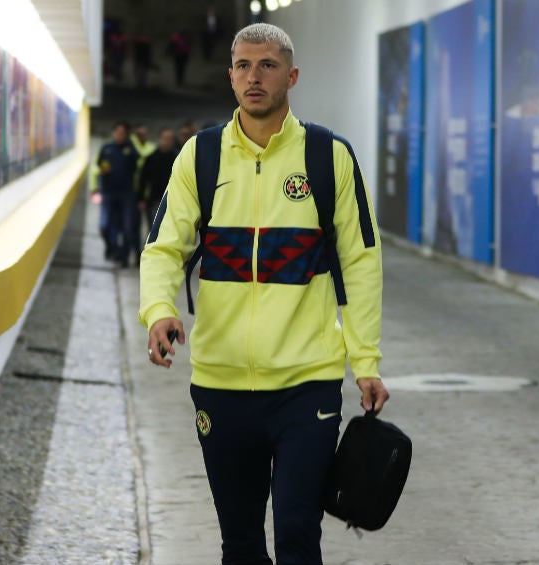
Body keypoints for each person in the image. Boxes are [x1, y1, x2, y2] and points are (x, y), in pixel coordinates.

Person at [139, 23, 388, 565]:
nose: (255, 76)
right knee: (241, 542)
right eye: (244, 66)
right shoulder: (199, 157)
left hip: (307, 384)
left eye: (268, 65)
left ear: (291, 76)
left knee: (298, 530)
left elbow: (361, 263)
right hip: (220, 385)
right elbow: (162, 249)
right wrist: (159, 311)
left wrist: (364, 360)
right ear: (230, 76)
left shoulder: (329, 158)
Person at [95, 121, 140, 264]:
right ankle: (111, 248)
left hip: (126, 194)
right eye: (118, 132)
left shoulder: (131, 150)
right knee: (105, 226)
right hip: (108, 193)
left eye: (123, 133)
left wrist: (132, 142)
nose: (120, 136)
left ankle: (124, 257)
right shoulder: (107, 148)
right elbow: (99, 167)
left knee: (127, 228)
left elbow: (136, 165)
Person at [137, 127, 178, 234]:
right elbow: (143, 179)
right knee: (155, 229)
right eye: (165, 138)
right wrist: (141, 199)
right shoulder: (151, 158)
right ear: (159, 139)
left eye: (170, 139)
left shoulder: (178, 158)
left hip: (173, 200)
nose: (167, 141)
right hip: (154, 199)